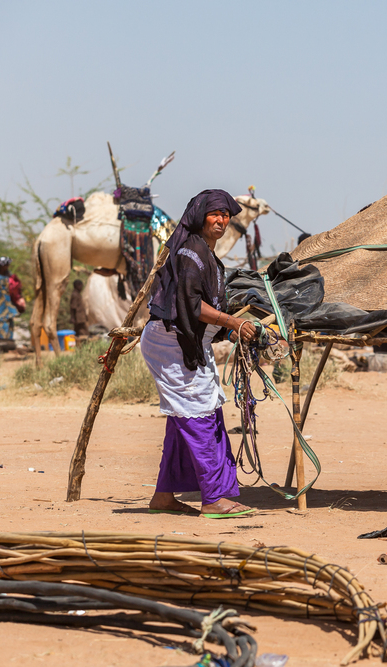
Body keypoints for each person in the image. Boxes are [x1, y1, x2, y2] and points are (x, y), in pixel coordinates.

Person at [141, 189, 257, 518]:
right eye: (215, 214)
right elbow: (189, 304)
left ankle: (164, 496)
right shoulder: (190, 251)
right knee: (200, 416)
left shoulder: (203, 251)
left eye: (225, 215)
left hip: (187, 344)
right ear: (199, 216)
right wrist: (233, 322)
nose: (221, 220)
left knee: (190, 415)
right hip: (171, 344)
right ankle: (213, 498)